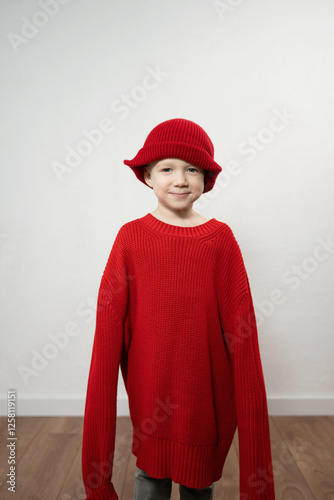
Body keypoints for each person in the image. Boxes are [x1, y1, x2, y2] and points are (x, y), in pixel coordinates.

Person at [81, 118, 276, 500]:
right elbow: (106, 343)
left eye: (192, 169)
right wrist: (97, 482)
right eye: (167, 168)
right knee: (150, 479)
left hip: (205, 408)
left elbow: (244, 344)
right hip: (151, 401)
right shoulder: (131, 239)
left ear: (206, 179)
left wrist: (258, 490)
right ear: (148, 176)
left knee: (198, 484)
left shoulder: (220, 242)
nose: (181, 179)